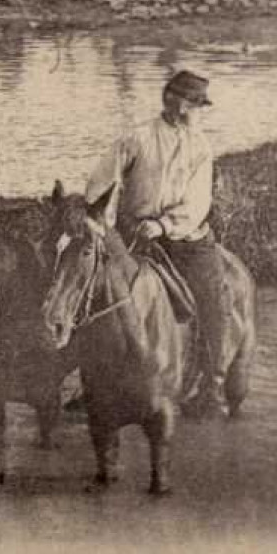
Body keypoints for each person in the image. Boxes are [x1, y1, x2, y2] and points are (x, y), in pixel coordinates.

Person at [86, 68, 229, 413]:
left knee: (212, 299)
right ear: (178, 103)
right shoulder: (136, 138)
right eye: (196, 105)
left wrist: (163, 226)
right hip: (134, 234)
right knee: (94, 292)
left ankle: (212, 385)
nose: (199, 112)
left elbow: (197, 203)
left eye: (200, 106)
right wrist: (99, 221)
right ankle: (90, 382)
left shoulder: (201, 147)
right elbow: (101, 182)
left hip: (185, 239)